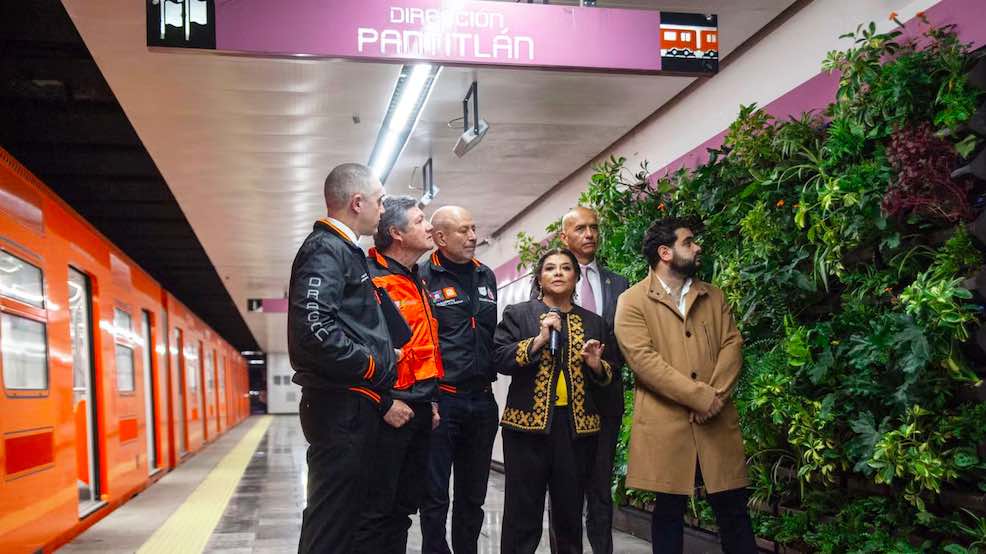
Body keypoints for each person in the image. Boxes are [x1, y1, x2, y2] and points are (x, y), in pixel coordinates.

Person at [614, 218, 757, 554]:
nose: (697, 247)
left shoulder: (713, 295)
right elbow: (644, 361)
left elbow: (732, 345)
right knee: (668, 514)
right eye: (689, 242)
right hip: (668, 425)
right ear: (665, 252)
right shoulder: (632, 301)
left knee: (734, 511)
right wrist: (698, 398)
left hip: (716, 419)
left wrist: (714, 398)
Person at [288, 163, 407, 553]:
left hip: (351, 406)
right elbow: (314, 330)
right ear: (357, 203)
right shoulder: (325, 249)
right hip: (340, 410)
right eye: (380, 200)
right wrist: (373, 362)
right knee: (331, 524)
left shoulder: (343, 251)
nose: (383, 208)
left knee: (346, 520)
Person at [495, 248, 617, 554]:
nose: (558, 273)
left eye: (566, 268)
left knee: (569, 513)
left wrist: (596, 365)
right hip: (526, 430)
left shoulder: (595, 323)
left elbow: (611, 375)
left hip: (576, 432)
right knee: (522, 514)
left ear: (576, 277)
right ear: (539, 277)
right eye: (550, 268)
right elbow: (499, 358)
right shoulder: (518, 315)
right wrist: (537, 341)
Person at [354, 195, 444, 553]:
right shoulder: (368, 278)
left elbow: (422, 348)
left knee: (404, 508)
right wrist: (383, 402)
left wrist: (431, 400)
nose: (429, 227)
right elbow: (358, 350)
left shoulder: (416, 278)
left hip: (420, 407)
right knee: (376, 511)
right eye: (421, 220)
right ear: (396, 233)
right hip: (387, 411)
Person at [545, 206, 629, 554]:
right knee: (563, 490)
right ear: (565, 237)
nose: (589, 234)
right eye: (580, 229)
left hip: (604, 397)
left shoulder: (618, 283)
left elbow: (623, 341)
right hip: (564, 404)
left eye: (594, 227)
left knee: (600, 487)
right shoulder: (553, 280)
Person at [418, 206, 499, 554]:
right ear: (439, 237)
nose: (472, 237)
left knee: (473, 495)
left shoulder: (486, 276)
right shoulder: (422, 276)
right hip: (442, 401)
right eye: (463, 230)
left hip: (482, 400)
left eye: (473, 228)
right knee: (435, 495)